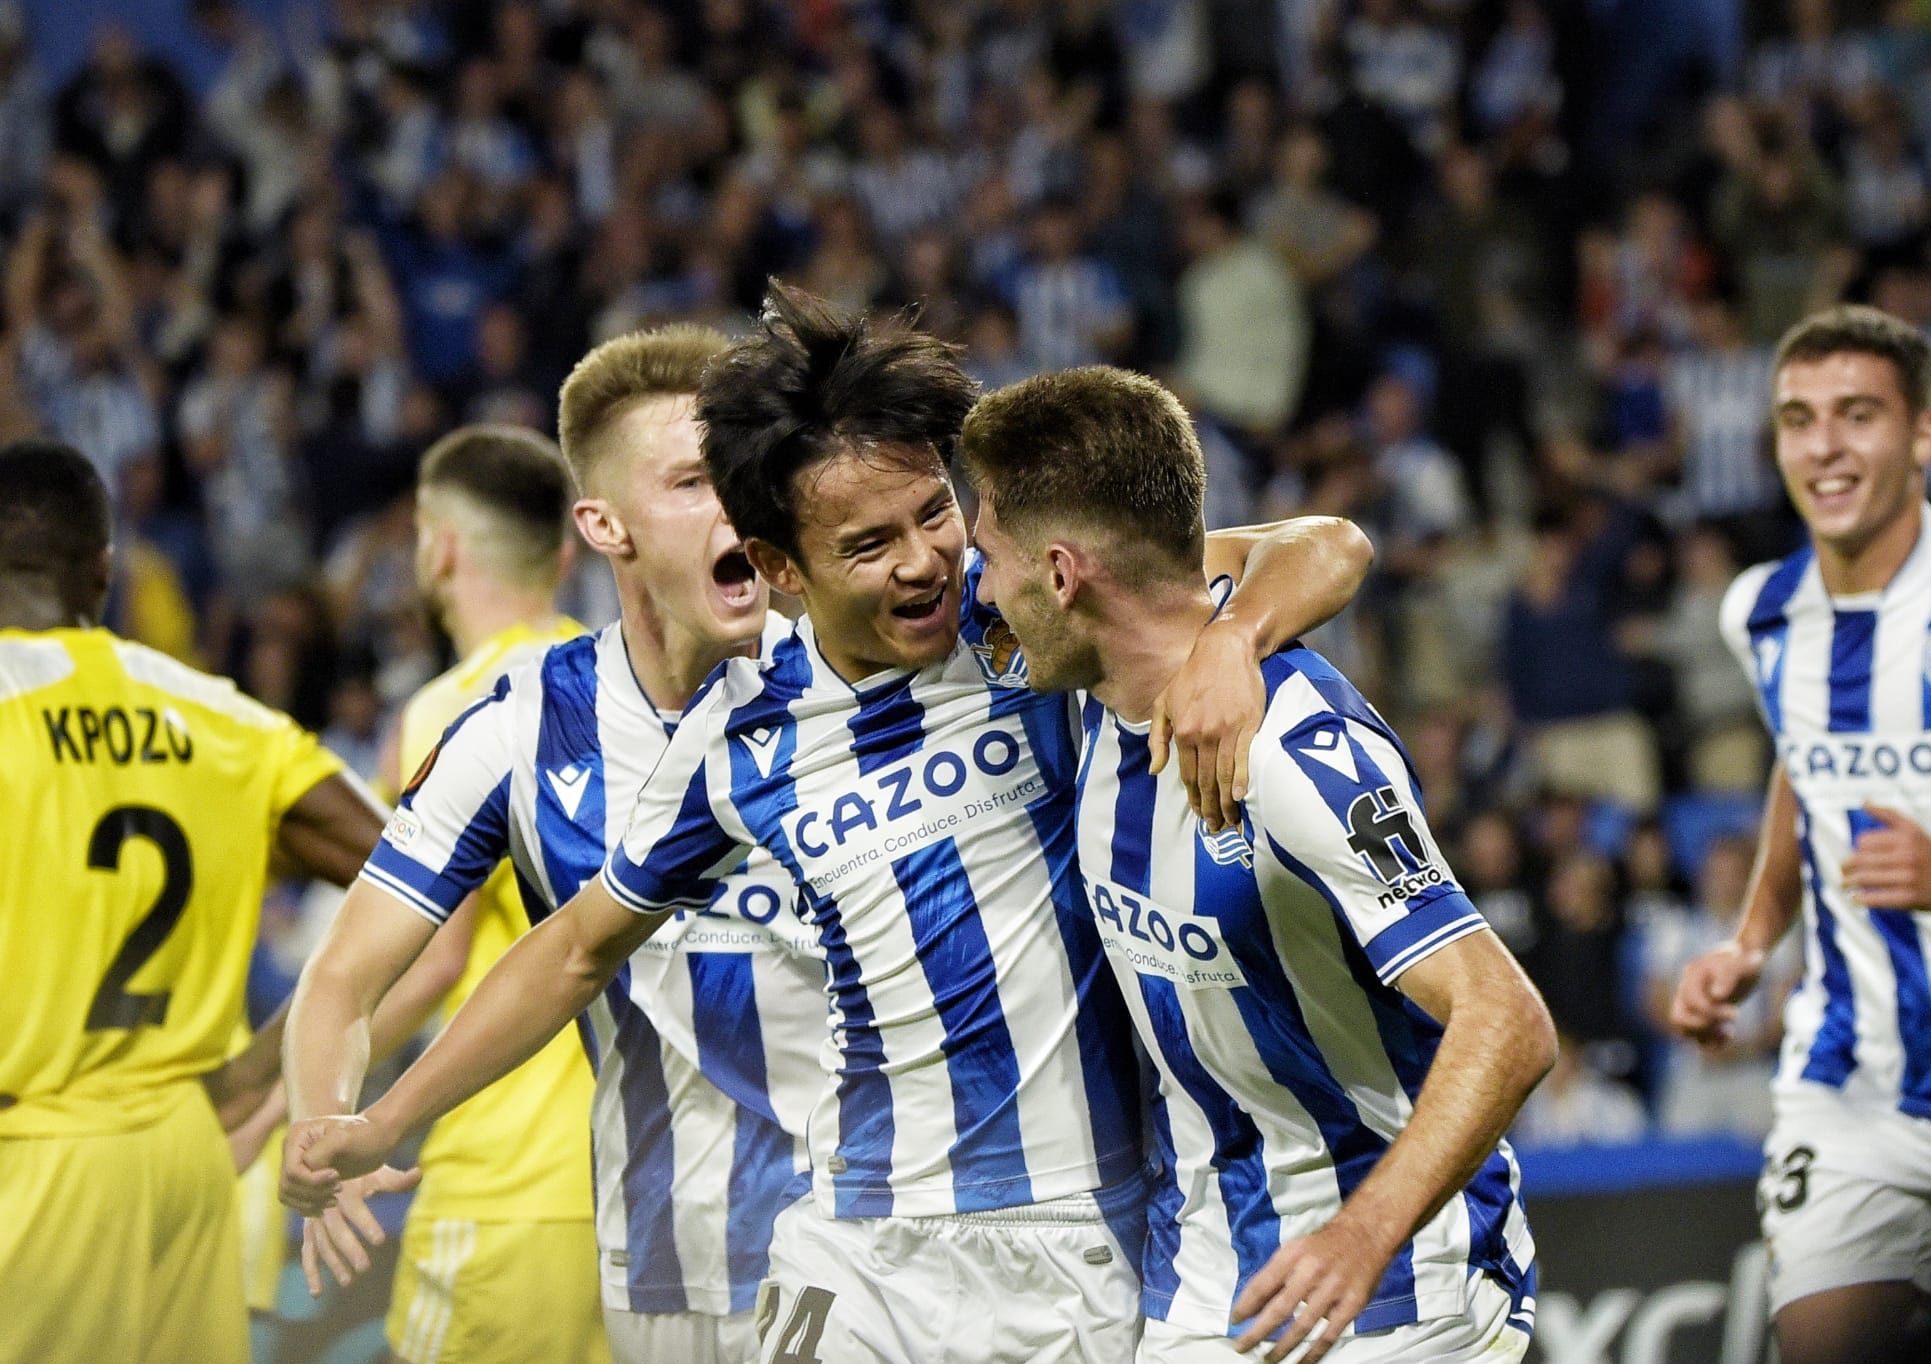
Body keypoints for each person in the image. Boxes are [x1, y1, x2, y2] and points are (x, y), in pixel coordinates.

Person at [287, 283, 1373, 1363]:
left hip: (1072, 1232)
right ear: (779, 568)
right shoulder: (740, 739)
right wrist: (385, 1117)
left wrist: (1238, 639)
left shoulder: (1031, 630)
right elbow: (574, 947)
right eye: (868, 543)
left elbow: (1326, 543)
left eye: (934, 513)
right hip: (847, 1237)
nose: (921, 561)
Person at [958, 367, 1548, 1364]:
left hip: (1392, 1291)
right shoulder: (1091, 678)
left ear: (1060, 574)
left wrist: (1365, 1230)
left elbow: (1508, 1019)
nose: (980, 579)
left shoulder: (1294, 754)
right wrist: (1233, 626)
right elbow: (1322, 542)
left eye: (990, 549)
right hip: (1205, 1280)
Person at [282, 332, 828, 1364]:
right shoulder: (516, 729)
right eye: (689, 482)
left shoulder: (864, 673)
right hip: (653, 1256)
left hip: (855, 1240)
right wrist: (325, 1129)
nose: (735, 507)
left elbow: (1128, 561)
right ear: (602, 524)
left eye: (742, 476)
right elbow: (342, 976)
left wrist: (1239, 608)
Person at [1671, 305, 1931, 1364]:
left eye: (1855, 415)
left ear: (1923, 434)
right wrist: (1749, 941)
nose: (1822, 445)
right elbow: (1803, 768)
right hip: (1853, 1089)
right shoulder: (1759, 610)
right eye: (1796, 419)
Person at [0, 437, 384, 1363]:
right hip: (186, 1154)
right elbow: (415, 876)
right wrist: (265, 1069)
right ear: (103, 569)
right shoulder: (222, 714)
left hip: (32, 1155)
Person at [290, 424, 609, 1364]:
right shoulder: (619, 677)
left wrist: (312, 1095)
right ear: (562, 553)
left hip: (502, 1175)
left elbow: (435, 961)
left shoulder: (449, 707)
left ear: (437, 546)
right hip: (633, 1175)